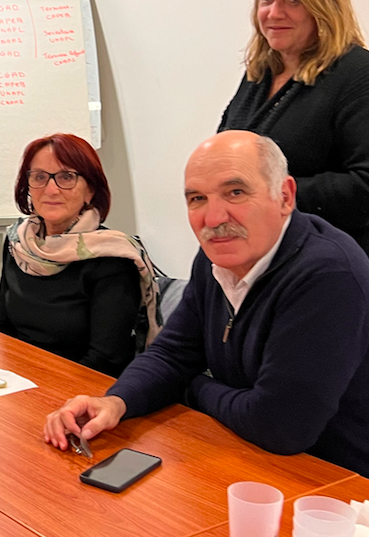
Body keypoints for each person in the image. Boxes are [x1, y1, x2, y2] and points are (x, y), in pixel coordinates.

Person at [43, 131, 369, 476]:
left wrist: (191, 386)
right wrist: (114, 402)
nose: (213, 219)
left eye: (236, 192)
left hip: (335, 482)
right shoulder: (214, 260)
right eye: (197, 198)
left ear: (285, 197)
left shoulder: (328, 275)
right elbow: (172, 353)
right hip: (245, 454)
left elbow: (279, 426)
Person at [219, 0, 369, 254]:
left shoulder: (357, 73)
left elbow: (364, 185)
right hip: (254, 257)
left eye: (293, 0)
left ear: (323, 6)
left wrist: (270, 197)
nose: (274, 13)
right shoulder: (259, 74)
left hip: (325, 262)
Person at [0, 134, 158, 377]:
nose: (51, 189)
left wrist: (38, 388)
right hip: (18, 378)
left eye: (66, 177)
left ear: (90, 190)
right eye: (39, 177)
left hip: (79, 390)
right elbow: (0, 327)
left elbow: (105, 361)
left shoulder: (112, 258)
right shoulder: (19, 243)